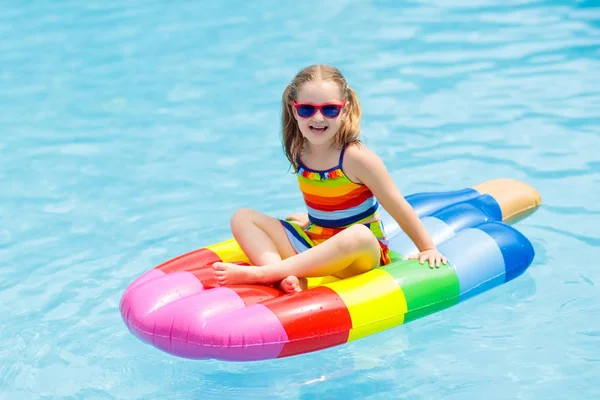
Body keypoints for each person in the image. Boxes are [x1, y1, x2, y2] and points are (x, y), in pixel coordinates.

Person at [213, 64, 446, 293]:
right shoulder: (299, 146)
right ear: (294, 111)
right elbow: (327, 199)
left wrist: (427, 248)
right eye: (307, 109)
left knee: (358, 234)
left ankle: (267, 273)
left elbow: (396, 204)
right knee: (242, 217)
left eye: (329, 109)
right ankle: (286, 275)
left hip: (357, 257)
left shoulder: (356, 158)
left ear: (344, 110)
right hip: (315, 243)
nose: (318, 117)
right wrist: (312, 219)